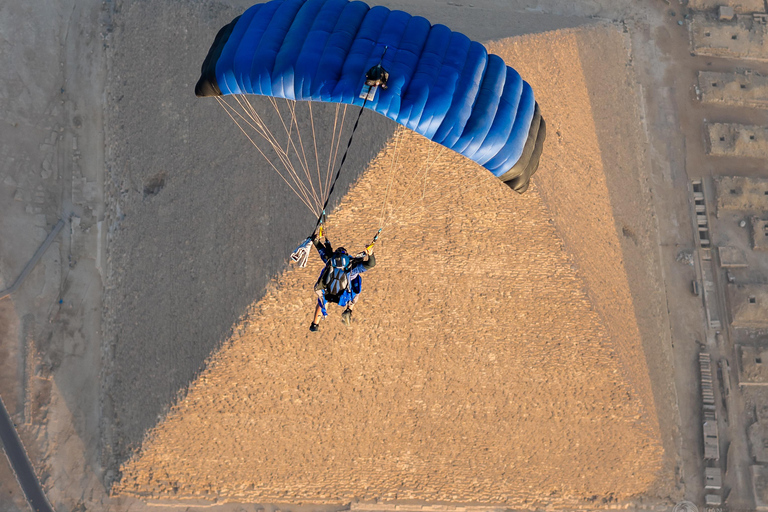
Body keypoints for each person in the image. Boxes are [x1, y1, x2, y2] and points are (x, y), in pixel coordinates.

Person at [309, 230, 376, 331]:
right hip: (344, 297)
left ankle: (315, 325)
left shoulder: (329, 260)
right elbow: (371, 264)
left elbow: (320, 248)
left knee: (323, 302)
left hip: (328, 293)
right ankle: (349, 310)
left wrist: (316, 239)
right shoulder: (353, 268)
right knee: (356, 284)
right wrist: (370, 254)